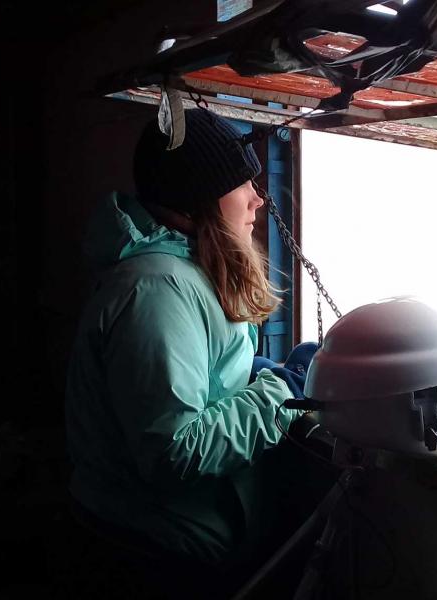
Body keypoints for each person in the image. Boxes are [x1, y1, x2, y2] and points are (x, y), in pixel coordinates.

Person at [62, 109, 324, 598]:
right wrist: (280, 390)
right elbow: (173, 451)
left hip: (162, 537)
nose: (257, 199)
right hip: (152, 553)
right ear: (198, 199)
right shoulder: (157, 290)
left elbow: (194, 385)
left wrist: (252, 372)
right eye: (242, 183)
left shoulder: (182, 271)